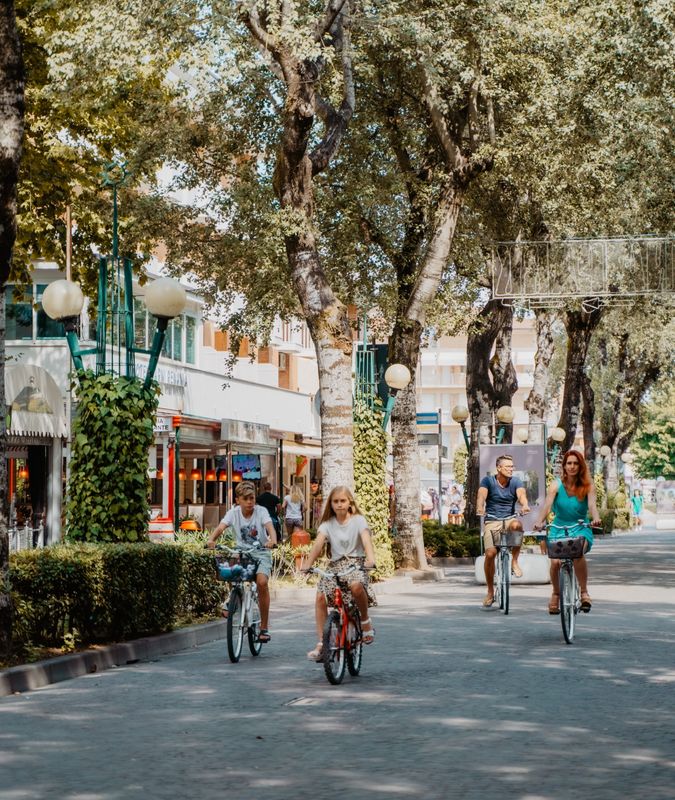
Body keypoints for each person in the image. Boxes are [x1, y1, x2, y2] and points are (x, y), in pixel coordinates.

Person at [302, 485, 377, 662]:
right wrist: (307, 565)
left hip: (355, 562)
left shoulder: (358, 520)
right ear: (331, 504)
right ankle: (322, 643)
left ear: (349, 502)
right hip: (335, 565)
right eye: (335, 501)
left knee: (356, 587)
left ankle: (365, 622)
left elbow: (366, 540)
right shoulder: (327, 524)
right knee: (320, 596)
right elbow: (318, 545)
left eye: (342, 501)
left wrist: (370, 559)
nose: (339, 505)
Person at [207, 481, 277, 643]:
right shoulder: (233, 513)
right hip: (241, 553)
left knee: (261, 582)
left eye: (252, 498)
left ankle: (264, 628)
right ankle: (233, 600)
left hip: (261, 552)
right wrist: (211, 540)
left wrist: (272, 540)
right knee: (228, 573)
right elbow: (220, 528)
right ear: (238, 500)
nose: (249, 502)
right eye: (245, 499)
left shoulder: (261, 511)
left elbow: (270, 527)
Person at [533, 450, 601, 614]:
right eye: (569, 463)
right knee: (555, 562)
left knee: (578, 553)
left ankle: (584, 592)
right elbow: (547, 505)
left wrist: (596, 518)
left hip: (580, 527)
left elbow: (592, 506)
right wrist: (539, 521)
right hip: (558, 528)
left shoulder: (588, 485)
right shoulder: (556, 485)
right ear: (564, 466)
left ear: (581, 466)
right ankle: (556, 594)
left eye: (576, 463)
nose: (572, 466)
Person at [476, 454, 530, 607]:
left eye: (512, 466)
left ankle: (514, 562)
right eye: (507, 467)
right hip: (492, 520)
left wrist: (525, 505)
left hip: (510, 519)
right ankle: (490, 592)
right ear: (499, 468)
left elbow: (522, 495)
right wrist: (480, 507)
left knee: (517, 525)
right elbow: (481, 495)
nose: (511, 469)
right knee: (490, 554)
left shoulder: (515, 481)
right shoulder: (488, 481)